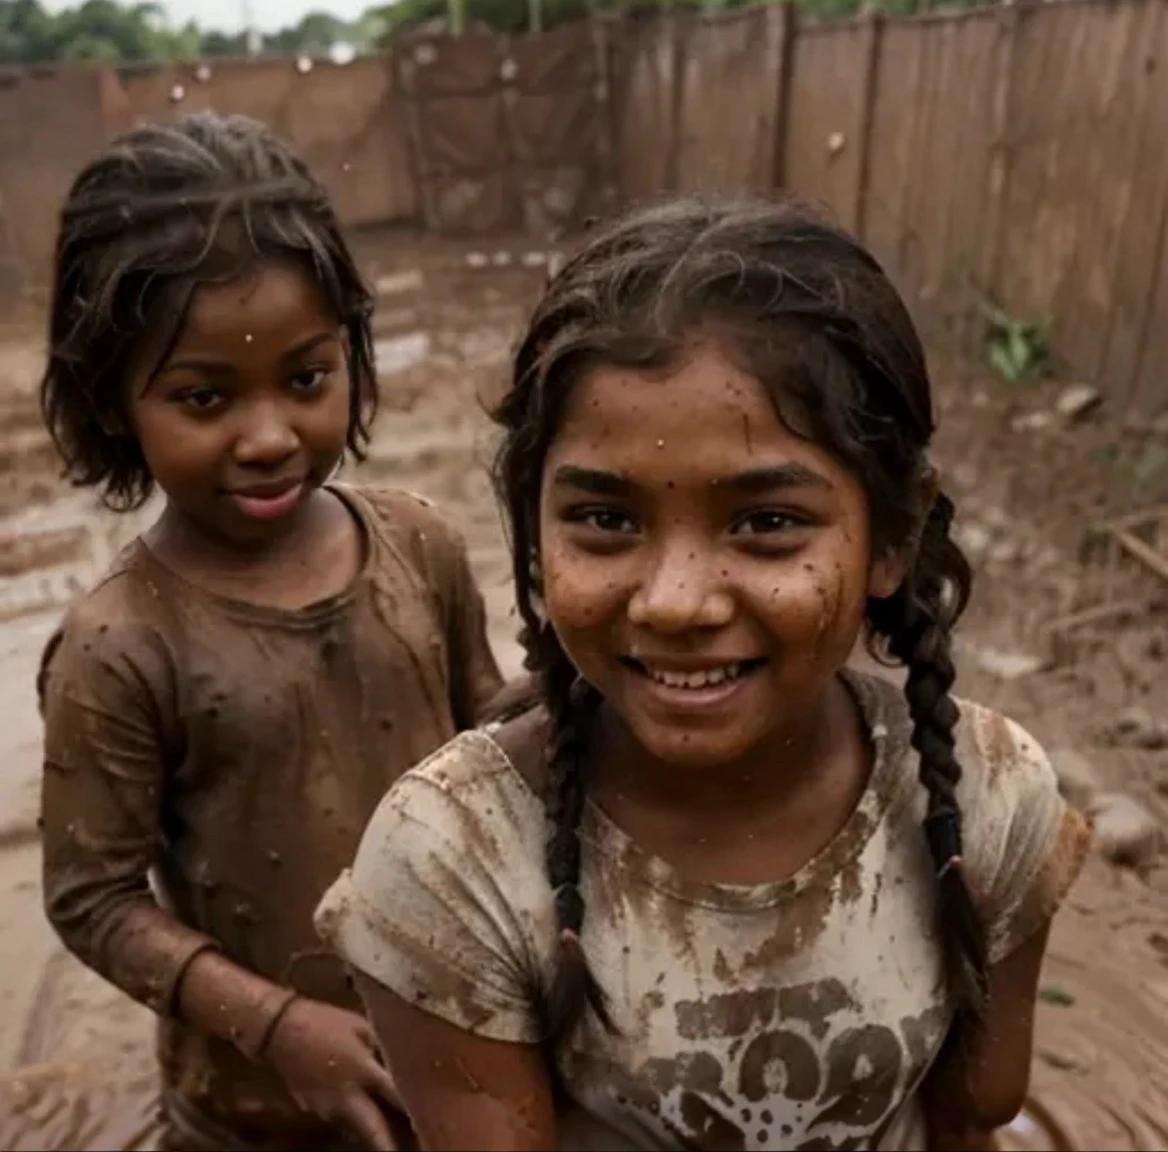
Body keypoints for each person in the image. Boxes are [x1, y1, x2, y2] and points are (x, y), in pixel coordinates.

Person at [314, 197, 1093, 1151]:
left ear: (895, 533)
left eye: (766, 522)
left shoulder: (987, 797)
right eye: (606, 518)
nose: (675, 602)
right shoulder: (456, 861)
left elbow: (970, 1117)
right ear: (530, 527)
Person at [37, 111, 504, 1152]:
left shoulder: (418, 547)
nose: (267, 437)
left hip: (459, 1061)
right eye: (204, 397)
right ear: (115, 402)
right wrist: (278, 1026)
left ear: (353, 350)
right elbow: (91, 896)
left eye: (306, 378)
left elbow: (492, 744)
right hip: (253, 1113)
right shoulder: (121, 643)